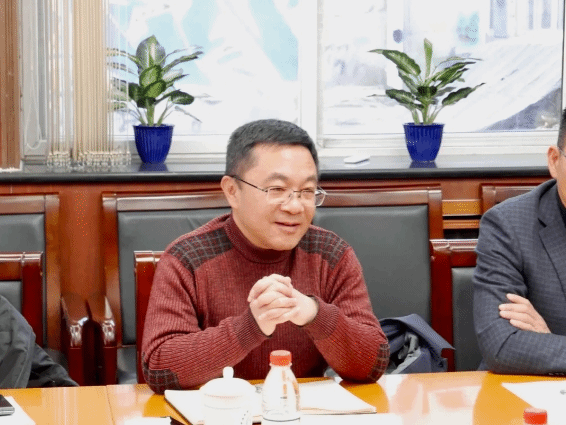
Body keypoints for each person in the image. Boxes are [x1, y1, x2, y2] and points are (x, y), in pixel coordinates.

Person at [141, 119, 390, 393]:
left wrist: (313, 313)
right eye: (277, 190)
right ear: (232, 191)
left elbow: (372, 365)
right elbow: (160, 370)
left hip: (299, 409)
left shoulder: (331, 254)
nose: (295, 207)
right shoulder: (187, 258)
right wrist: (251, 326)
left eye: (307, 191)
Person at [473, 108, 566, 375]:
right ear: (554, 160)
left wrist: (549, 341)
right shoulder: (508, 225)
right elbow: (501, 344)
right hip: (531, 390)